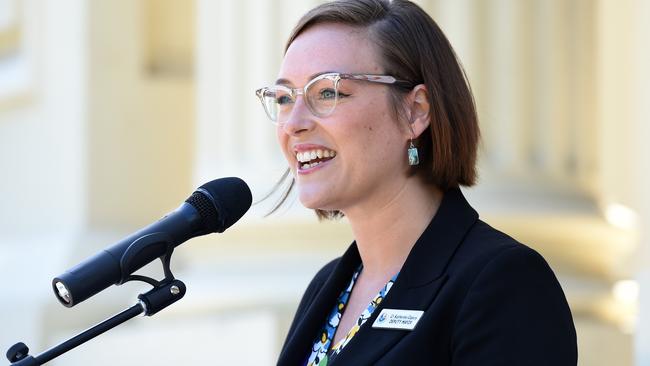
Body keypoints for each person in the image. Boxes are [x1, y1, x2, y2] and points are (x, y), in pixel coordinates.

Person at [255, 0, 578, 365]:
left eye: (328, 92)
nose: (294, 123)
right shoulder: (326, 289)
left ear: (416, 111)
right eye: (284, 98)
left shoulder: (504, 283)